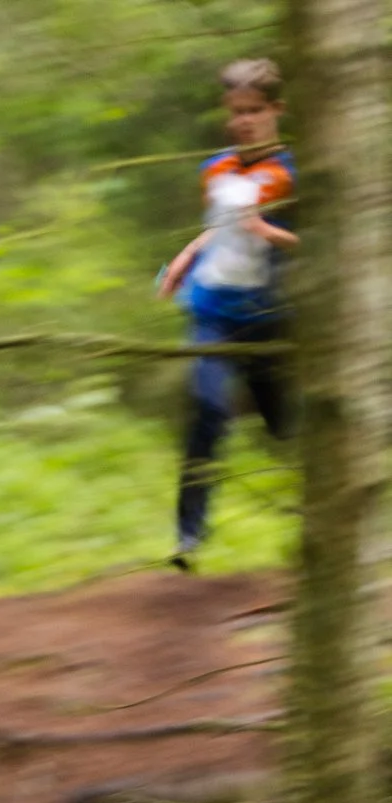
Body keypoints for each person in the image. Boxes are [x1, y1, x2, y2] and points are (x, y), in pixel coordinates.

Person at [156, 58, 297, 571]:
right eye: (236, 111)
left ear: (276, 110)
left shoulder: (293, 174)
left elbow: (315, 243)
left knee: (286, 426)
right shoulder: (213, 169)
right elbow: (222, 226)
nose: (243, 121)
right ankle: (187, 538)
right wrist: (186, 256)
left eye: (254, 111)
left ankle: (324, 523)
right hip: (212, 309)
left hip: (269, 317)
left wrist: (270, 232)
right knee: (207, 410)